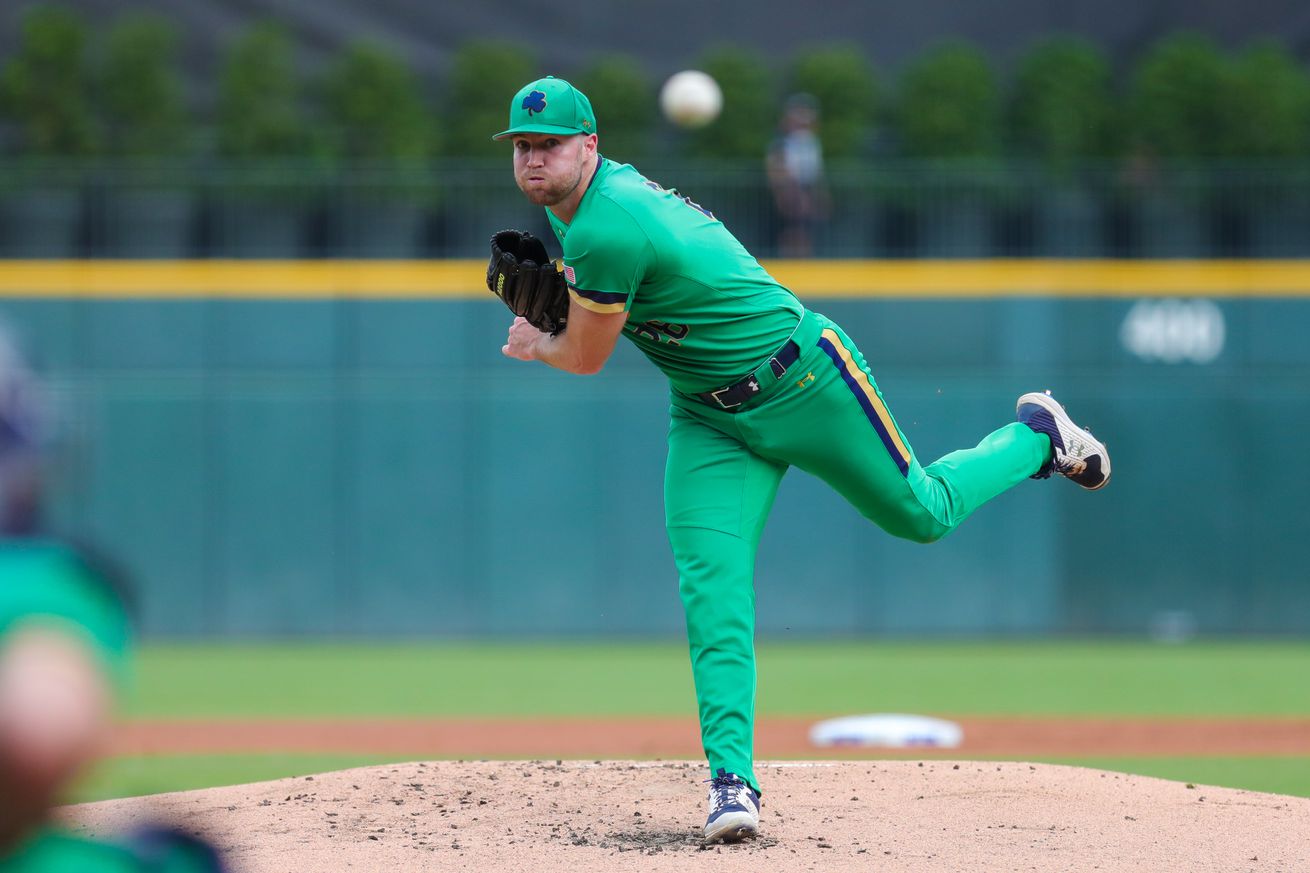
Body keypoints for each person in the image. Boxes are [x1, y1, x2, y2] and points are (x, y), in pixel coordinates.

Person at [493, 76, 1110, 844]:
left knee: (924, 513)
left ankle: (1037, 437)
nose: (533, 158)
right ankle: (732, 784)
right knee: (712, 590)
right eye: (522, 145)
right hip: (709, 417)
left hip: (806, 380)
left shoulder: (603, 225)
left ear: (590, 145)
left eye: (549, 144)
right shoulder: (590, 218)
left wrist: (537, 342)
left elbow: (583, 358)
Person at [765, 93, 829, 258]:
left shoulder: (810, 141)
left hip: (805, 190)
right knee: (792, 229)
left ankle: (801, 261)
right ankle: (790, 262)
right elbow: (777, 169)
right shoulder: (782, 142)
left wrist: (819, 194)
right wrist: (789, 193)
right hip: (790, 191)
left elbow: (815, 171)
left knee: (805, 229)